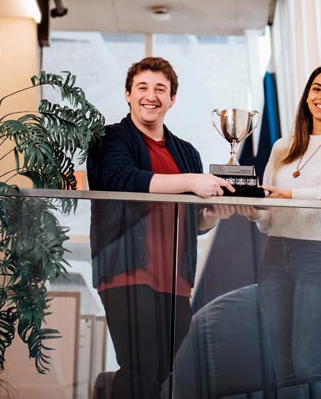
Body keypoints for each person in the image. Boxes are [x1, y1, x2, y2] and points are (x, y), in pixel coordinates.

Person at [88, 56, 236, 399]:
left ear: (172, 99)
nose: (150, 96)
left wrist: (215, 214)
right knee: (141, 368)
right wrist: (192, 182)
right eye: (142, 87)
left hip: (175, 280)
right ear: (127, 94)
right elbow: (123, 180)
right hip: (127, 272)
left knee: (167, 373)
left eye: (160, 89)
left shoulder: (187, 153)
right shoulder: (110, 139)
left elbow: (194, 224)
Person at [246, 65, 321, 397]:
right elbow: (270, 217)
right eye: (316, 89)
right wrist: (254, 211)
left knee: (307, 363)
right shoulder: (281, 148)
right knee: (284, 369)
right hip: (274, 255)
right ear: (306, 96)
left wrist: (291, 194)